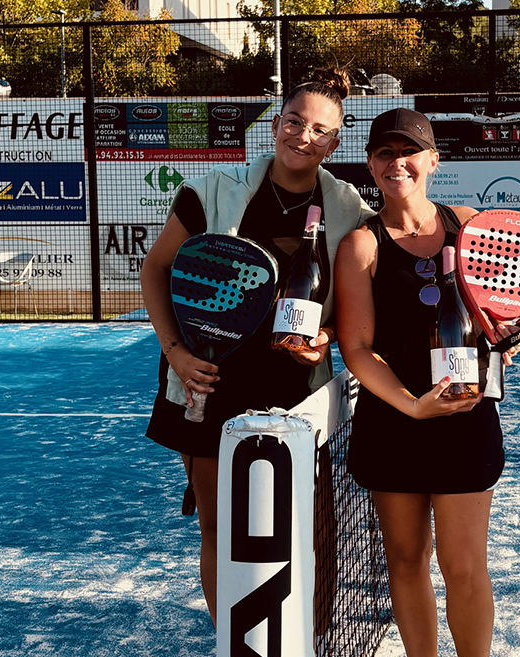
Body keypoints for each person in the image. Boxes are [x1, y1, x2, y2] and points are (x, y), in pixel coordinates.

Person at [141, 68, 373, 626]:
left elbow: (354, 303)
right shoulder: (213, 190)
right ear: (276, 125)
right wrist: (175, 352)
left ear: (335, 142)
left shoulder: (349, 209)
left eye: (320, 130)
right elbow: (157, 268)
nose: (304, 136)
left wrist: (327, 339)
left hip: (297, 389)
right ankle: (233, 649)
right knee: (220, 524)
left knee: (310, 524)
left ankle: (310, 647)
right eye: (295, 121)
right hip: (208, 378)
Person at [335, 108, 515, 657]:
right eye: (383, 154)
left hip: (466, 425)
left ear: (433, 161)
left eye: (409, 153)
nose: (396, 164)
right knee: (406, 563)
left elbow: (501, 323)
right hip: (395, 424)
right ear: (372, 168)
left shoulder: (470, 228)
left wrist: (505, 351)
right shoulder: (358, 244)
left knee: (463, 566)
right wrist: (412, 407)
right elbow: (355, 348)